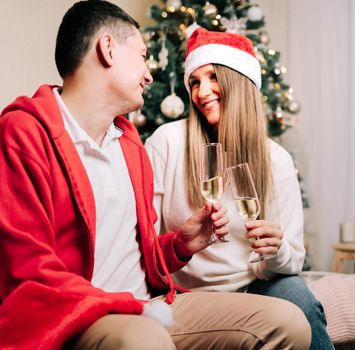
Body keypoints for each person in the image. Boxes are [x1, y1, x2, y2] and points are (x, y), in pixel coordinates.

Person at [0, 1, 312, 350]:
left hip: (151, 303)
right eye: (143, 55)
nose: (149, 74)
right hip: (85, 313)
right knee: (144, 340)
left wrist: (180, 245)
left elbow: (139, 257)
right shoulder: (24, 133)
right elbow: (28, 274)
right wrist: (133, 307)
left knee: (289, 323)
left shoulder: (129, 143)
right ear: (107, 50)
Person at [145, 28, 334, 350]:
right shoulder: (167, 142)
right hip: (186, 294)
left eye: (212, 77)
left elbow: (292, 263)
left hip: (253, 286)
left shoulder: (275, 159)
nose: (202, 92)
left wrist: (276, 251)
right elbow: (143, 235)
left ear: (239, 81)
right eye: (194, 82)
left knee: (301, 301)